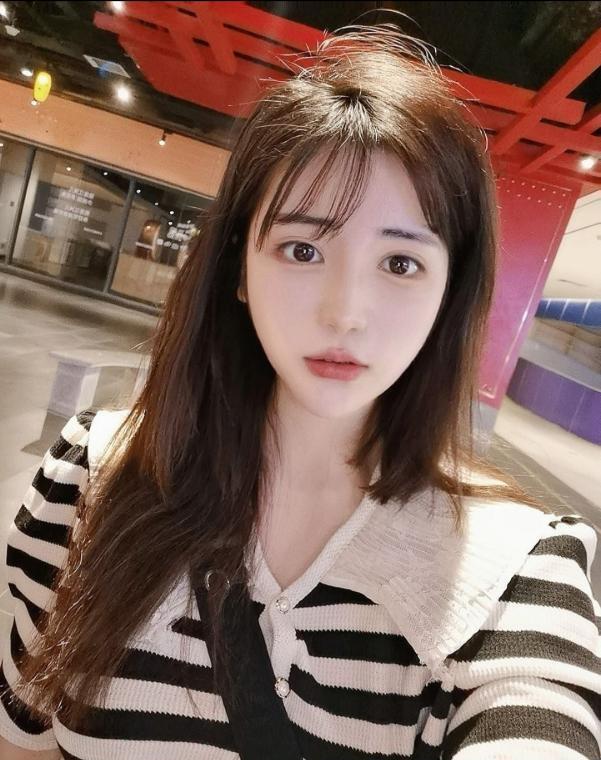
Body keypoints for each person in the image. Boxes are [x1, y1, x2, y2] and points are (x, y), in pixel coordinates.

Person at [1, 21, 600, 760]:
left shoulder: (518, 570)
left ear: (450, 293)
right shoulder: (91, 480)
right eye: (302, 248)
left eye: (400, 264)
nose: (344, 313)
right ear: (238, 270)